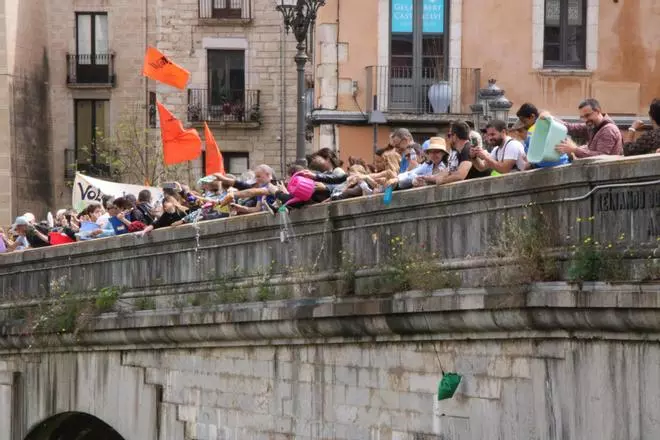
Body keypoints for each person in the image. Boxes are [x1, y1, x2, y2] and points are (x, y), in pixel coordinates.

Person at [540, 98, 623, 158]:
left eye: (587, 115)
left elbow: (602, 157)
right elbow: (570, 127)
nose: (586, 120)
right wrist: (550, 118)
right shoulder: (593, 126)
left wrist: (574, 150)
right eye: (583, 117)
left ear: (598, 111)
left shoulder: (608, 130)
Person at [428, 120, 490, 185]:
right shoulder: (459, 151)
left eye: (449, 135)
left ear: (454, 136)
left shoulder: (467, 149)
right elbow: (449, 171)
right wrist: (428, 178)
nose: (448, 139)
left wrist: (442, 180)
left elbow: (460, 176)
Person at [515, 102, 569, 168]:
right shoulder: (546, 121)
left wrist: (525, 139)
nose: (524, 124)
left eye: (524, 121)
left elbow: (533, 153)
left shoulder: (538, 127)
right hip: (560, 162)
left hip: (553, 164)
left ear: (532, 116)